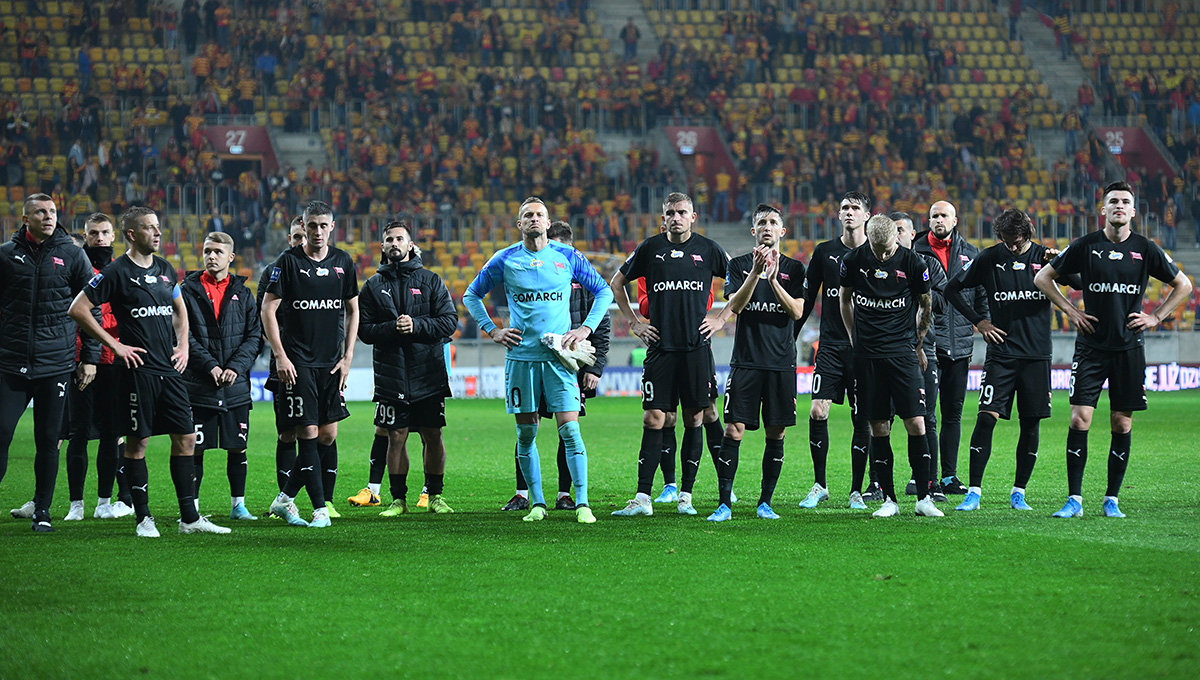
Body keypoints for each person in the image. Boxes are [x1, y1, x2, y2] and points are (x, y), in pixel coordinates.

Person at [1034, 182, 1192, 518]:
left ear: (1133, 211)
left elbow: (1184, 284)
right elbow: (1043, 277)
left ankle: (1112, 499)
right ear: (1103, 209)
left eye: (1125, 201)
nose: (1119, 205)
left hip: (1128, 347)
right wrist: (1071, 311)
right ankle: (1074, 499)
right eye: (1113, 201)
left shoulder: (1146, 249)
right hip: (1090, 346)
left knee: (1121, 424)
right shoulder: (1086, 245)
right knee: (1079, 419)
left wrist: (1156, 316)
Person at [69, 206, 230, 537]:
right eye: (149, 228)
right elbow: (78, 308)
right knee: (137, 443)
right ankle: (143, 518)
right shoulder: (115, 272)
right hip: (136, 372)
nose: (158, 233)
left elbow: (179, 308)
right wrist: (115, 346)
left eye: (158, 227)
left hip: (169, 370)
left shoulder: (165, 269)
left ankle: (189, 519)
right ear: (132, 234)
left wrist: (183, 346)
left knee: (186, 437)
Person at [464, 197, 613, 524]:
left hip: (559, 360)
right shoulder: (505, 259)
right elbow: (470, 295)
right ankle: (537, 503)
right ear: (520, 224)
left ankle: (582, 503)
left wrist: (585, 329)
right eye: (528, 215)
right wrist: (493, 330)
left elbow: (604, 292)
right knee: (526, 435)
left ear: (547, 223)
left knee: (570, 431)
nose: (534, 219)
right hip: (521, 359)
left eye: (539, 215)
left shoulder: (567, 256)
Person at [609, 192, 730, 517]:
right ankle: (643, 499)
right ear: (663, 218)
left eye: (682, 212)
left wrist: (721, 318)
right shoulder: (650, 248)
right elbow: (616, 283)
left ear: (693, 217)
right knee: (653, 417)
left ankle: (685, 497)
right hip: (660, 349)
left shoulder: (709, 249)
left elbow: (741, 281)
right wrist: (635, 323)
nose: (676, 218)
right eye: (671, 213)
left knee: (694, 418)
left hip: (695, 349)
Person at [947, 209, 1068, 512]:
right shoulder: (989, 257)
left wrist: (1061, 261)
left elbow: (1077, 282)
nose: (1012, 247)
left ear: (1028, 233)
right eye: (1006, 240)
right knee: (986, 417)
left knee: (1030, 423)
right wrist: (979, 321)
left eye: (1017, 241)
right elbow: (951, 289)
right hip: (1001, 354)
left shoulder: (1044, 256)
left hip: (1036, 355)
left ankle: (1019, 493)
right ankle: (974, 492)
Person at [502, 221, 611, 512]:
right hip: (533, 359)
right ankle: (523, 493)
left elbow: (602, 326)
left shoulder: (583, 279)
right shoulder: (533, 274)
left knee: (568, 429)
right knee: (528, 427)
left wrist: (595, 368)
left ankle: (565, 494)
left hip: (570, 364)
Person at [1, 194, 94, 532]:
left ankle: (42, 510)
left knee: (48, 439)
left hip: (55, 363)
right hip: (10, 363)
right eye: (40, 211)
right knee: (1, 433)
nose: (49, 216)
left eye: (52, 211)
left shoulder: (73, 254)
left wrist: (89, 358)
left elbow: (93, 307)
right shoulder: (5, 255)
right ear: (25, 219)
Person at [263, 201, 358, 528]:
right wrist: (280, 355)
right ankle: (320, 509)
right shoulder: (288, 262)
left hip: (331, 363)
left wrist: (348, 357)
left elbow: (353, 309)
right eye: (312, 225)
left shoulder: (343, 262)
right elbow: (267, 309)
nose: (317, 231)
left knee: (327, 436)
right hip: (298, 362)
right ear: (303, 227)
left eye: (323, 225)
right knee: (307, 431)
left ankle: (284, 498)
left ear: (332, 227)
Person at [839, 215, 940, 518]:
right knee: (879, 426)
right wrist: (854, 338)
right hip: (868, 356)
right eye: (877, 250)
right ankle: (889, 500)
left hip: (902, 353)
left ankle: (924, 498)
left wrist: (917, 343)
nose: (883, 256)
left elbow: (926, 303)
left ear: (897, 237)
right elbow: (844, 300)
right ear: (868, 239)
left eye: (887, 250)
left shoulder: (913, 263)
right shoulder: (853, 261)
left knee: (917, 423)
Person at [709, 204, 805, 522]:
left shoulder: (795, 269)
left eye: (773, 222)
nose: (767, 226)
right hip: (746, 362)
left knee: (776, 432)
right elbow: (735, 306)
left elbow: (797, 312)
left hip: (780, 364)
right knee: (734, 429)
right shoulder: (737, 265)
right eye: (762, 222)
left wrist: (774, 280)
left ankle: (765, 502)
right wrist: (755, 273)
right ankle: (724, 504)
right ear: (753, 231)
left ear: (782, 231)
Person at [358, 221, 457, 517]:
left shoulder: (431, 280)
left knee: (433, 434)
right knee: (396, 436)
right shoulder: (372, 286)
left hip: (428, 372)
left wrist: (417, 325)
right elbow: (364, 330)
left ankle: (435, 496)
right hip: (392, 375)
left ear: (411, 245)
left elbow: (449, 321)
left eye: (400, 239)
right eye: (389, 239)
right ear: (382, 246)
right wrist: (392, 327)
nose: (394, 243)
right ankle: (397, 500)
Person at [797, 191, 875, 510]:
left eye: (855, 208)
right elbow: (806, 300)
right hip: (830, 345)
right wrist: (790, 338)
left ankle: (856, 490)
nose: (849, 212)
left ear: (867, 216)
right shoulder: (825, 252)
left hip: (864, 349)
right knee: (817, 410)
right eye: (844, 208)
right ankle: (820, 485)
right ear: (838, 214)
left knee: (862, 418)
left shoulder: (876, 253)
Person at [180, 231, 262, 520]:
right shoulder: (186, 291)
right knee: (194, 448)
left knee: (238, 447)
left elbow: (254, 336)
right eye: (207, 251)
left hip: (234, 385)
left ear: (231, 257)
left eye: (217, 252)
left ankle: (238, 505)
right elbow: (182, 336)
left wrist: (234, 368)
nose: (211, 256)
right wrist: (210, 366)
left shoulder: (244, 293)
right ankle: (193, 508)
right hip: (198, 384)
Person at [61, 213, 134, 521]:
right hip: (82, 361)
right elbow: (76, 315)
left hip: (114, 362)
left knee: (110, 434)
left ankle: (104, 501)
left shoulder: (121, 270)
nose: (100, 238)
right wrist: (84, 358)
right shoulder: (77, 270)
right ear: (86, 236)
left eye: (105, 232)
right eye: (94, 233)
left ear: (114, 236)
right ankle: (75, 504)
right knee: (78, 432)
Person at [914, 200, 985, 495]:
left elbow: (981, 293)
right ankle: (925, 477)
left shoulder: (971, 253)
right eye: (935, 216)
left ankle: (949, 477)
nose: (939, 220)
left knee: (953, 414)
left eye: (944, 215)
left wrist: (984, 324)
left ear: (955, 221)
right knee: (926, 415)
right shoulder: (917, 252)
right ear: (929, 221)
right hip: (930, 345)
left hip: (961, 344)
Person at [892, 212, 948, 503]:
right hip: (889, 350)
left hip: (925, 349)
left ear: (912, 234)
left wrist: (919, 290)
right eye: (892, 230)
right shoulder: (880, 266)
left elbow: (943, 301)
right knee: (882, 418)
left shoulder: (929, 264)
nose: (896, 235)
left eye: (901, 230)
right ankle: (877, 484)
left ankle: (929, 481)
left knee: (927, 418)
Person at [258, 218, 306, 497]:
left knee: (324, 432)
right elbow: (263, 316)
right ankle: (286, 500)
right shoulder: (272, 272)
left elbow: (338, 316)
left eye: (305, 236)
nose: (302, 242)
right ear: (289, 239)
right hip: (284, 362)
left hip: (320, 362)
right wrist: (281, 353)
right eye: (297, 237)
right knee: (287, 432)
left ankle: (323, 500)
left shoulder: (331, 269)